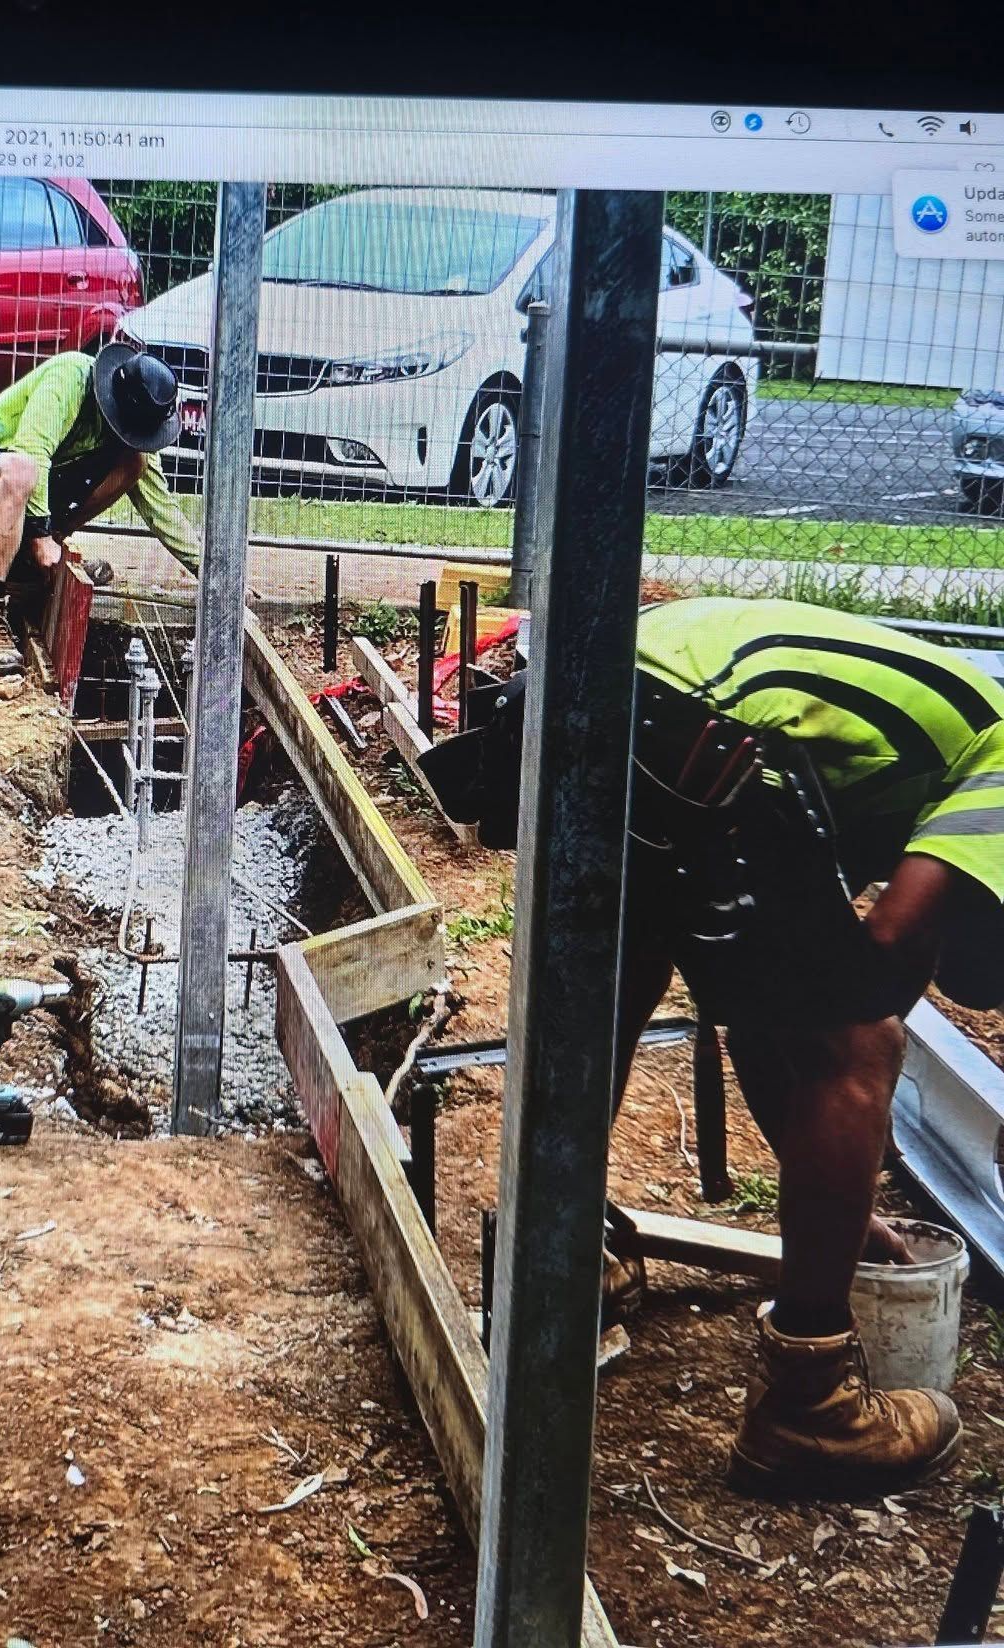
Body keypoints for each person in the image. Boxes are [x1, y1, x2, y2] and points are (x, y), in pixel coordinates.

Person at [421, 594, 1004, 1499]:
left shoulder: (910, 770)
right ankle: (808, 1405)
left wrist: (848, 1217)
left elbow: (768, 1018)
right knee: (864, 1043)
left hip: (594, 685)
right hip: (698, 729)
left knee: (617, 983)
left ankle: (555, 1270)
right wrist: (854, 1059)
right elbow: (876, 971)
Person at [0, 342, 202, 676]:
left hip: (25, 501)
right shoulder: (71, 377)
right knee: (24, 469)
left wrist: (212, 574)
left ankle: (37, 558)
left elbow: (160, 506)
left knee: (133, 465)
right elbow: (32, 450)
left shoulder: (134, 432)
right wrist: (39, 534)